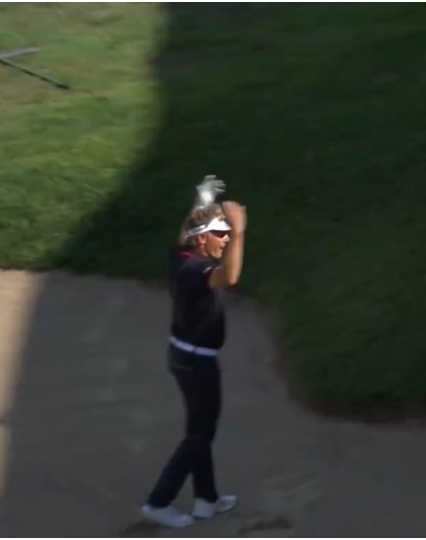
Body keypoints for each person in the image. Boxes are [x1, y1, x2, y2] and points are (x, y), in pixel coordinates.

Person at [141, 177, 247, 528]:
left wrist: (202, 200)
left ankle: (206, 498)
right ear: (203, 239)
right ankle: (159, 501)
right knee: (200, 435)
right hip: (196, 363)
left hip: (187, 356)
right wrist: (241, 229)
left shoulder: (182, 254)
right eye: (221, 234)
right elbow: (230, 277)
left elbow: (188, 230)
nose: (226, 239)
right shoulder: (195, 268)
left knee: (201, 429)